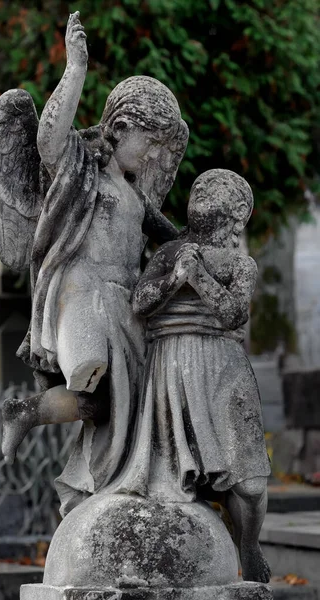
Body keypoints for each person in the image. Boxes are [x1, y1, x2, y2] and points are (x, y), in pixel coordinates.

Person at [0, 12, 189, 517]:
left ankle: (31, 415)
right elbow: (47, 140)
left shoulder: (134, 193)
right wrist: (76, 68)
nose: (153, 158)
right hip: (80, 293)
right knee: (90, 370)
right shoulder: (79, 165)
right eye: (148, 143)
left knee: (111, 407)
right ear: (121, 127)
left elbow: (171, 238)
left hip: (127, 307)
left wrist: (201, 246)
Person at [111, 169, 271, 583]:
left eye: (215, 197)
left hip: (224, 371)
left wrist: (196, 277)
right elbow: (140, 303)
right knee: (184, 481)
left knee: (251, 485)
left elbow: (235, 313)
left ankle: (249, 543)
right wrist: (174, 278)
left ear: (238, 215)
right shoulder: (169, 254)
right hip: (173, 366)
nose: (203, 200)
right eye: (200, 193)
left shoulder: (241, 264)